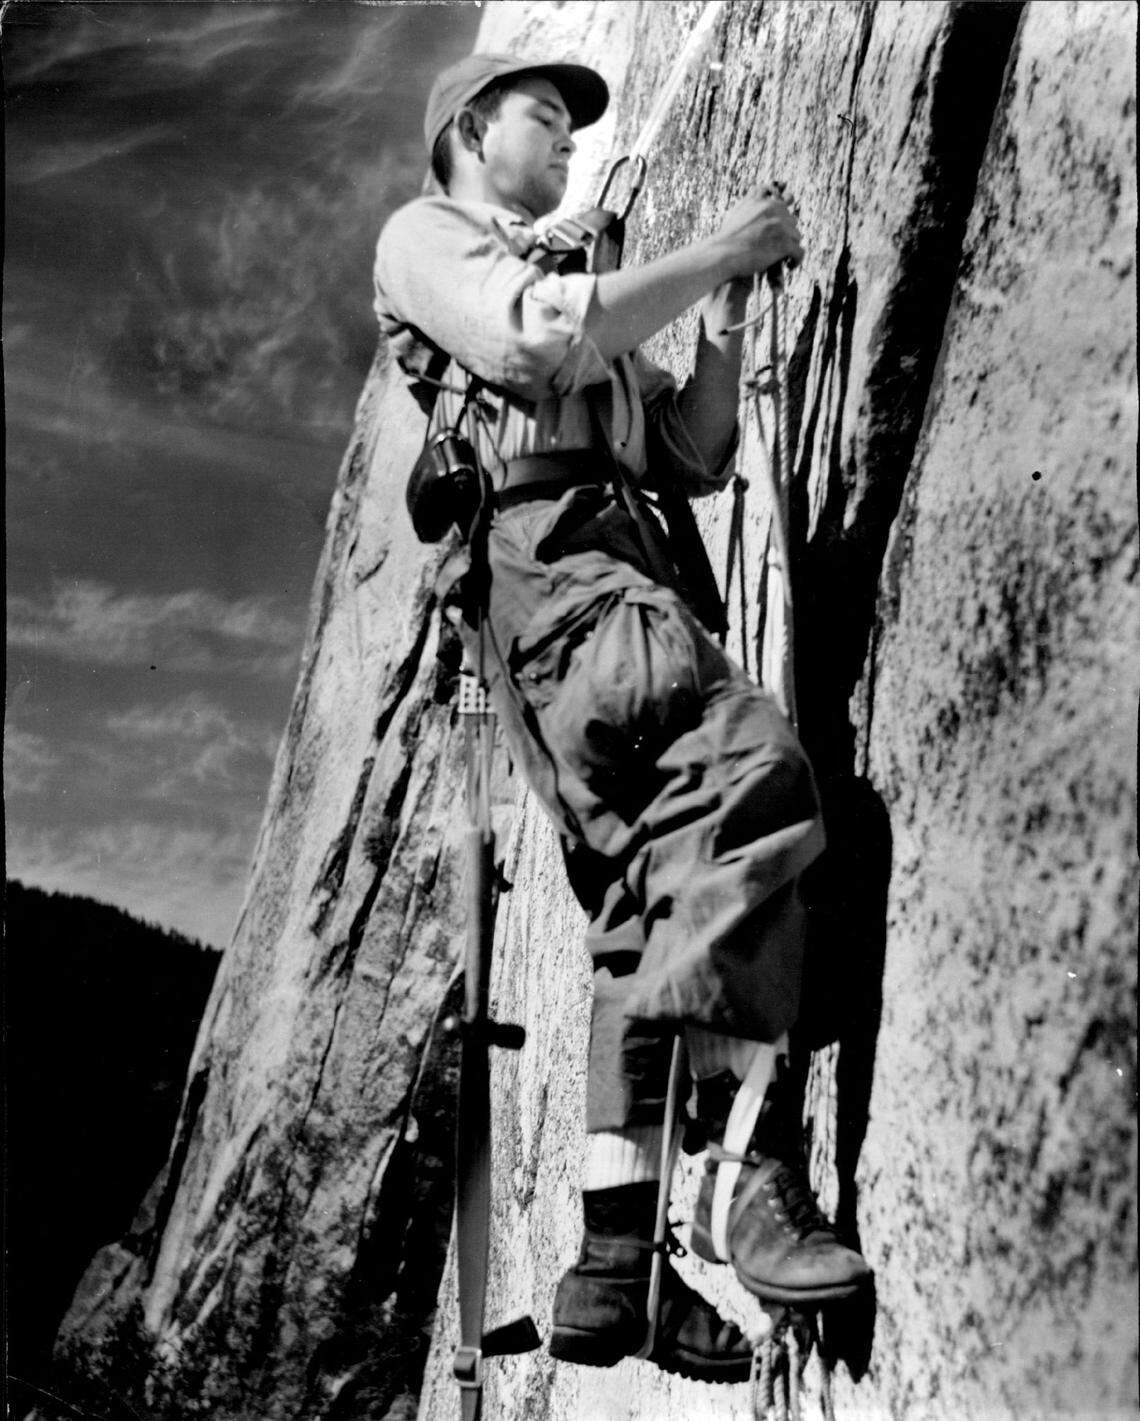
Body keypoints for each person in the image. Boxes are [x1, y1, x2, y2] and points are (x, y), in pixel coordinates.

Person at [373, 53, 871, 1382]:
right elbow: (536, 336)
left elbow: (693, 451)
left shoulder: (559, 291)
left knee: (648, 908)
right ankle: (742, 1174)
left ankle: (610, 1267)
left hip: (580, 580)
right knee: (754, 766)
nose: (567, 142)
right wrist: (713, 252)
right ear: (469, 134)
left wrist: (718, 322)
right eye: (546, 118)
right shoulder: (431, 243)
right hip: (565, 574)